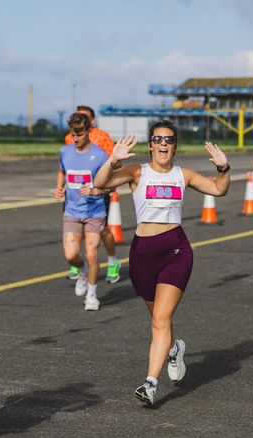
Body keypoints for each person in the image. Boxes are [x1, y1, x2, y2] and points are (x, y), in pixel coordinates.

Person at [94, 120, 231, 405]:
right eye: (158, 139)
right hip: (142, 254)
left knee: (160, 320)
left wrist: (223, 168)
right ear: (151, 145)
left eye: (169, 140)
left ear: (175, 146)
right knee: (157, 319)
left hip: (175, 252)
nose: (163, 144)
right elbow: (100, 183)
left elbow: (219, 190)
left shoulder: (184, 175)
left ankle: (150, 383)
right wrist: (112, 160)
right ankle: (173, 350)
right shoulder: (136, 173)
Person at [54, 112, 110, 311]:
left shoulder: (100, 155)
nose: (76, 138)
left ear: (88, 131)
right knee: (71, 256)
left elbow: (110, 185)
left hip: (95, 211)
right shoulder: (65, 152)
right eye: (73, 134)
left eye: (79, 133)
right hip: (72, 210)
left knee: (92, 253)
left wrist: (95, 190)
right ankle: (83, 273)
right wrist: (60, 187)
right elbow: (62, 171)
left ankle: (92, 297)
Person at [63, 105, 121, 284]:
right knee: (75, 229)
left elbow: (114, 163)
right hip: (74, 194)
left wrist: (102, 184)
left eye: (84, 118)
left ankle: (112, 261)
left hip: (96, 193)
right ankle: (77, 264)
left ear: (91, 122)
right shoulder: (68, 138)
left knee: (102, 231)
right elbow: (67, 164)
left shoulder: (102, 138)